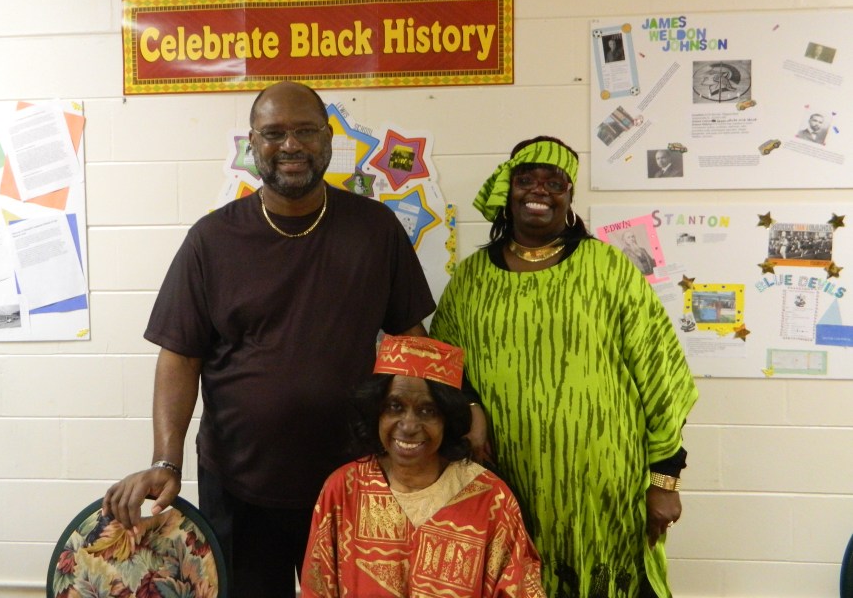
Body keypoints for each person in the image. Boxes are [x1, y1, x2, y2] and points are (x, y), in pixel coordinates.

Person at [102, 81, 436, 598]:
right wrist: (166, 460)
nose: (291, 145)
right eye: (274, 133)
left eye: (305, 131)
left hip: (351, 479)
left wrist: (452, 418)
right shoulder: (212, 240)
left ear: (328, 138)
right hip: (239, 486)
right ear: (253, 143)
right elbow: (180, 356)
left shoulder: (375, 229)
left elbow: (411, 340)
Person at [429, 136, 699, 598]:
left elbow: (662, 376)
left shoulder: (608, 268)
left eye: (554, 183)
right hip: (508, 485)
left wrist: (664, 480)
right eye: (527, 179)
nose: (540, 190)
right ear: (507, 189)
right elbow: (445, 368)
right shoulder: (471, 280)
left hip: (605, 490)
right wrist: (471, 407)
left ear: (569, 197)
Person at [301, 335, 546, 598]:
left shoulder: (491, 500)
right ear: (377, 412)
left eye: (427, 411)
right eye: (395, 407)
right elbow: (318, 588)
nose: (408, 426)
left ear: (447, 419)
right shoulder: (343, 489)